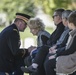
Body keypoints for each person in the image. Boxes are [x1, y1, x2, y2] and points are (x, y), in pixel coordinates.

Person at [21, 8, 65, 75]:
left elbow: (46, 46)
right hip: (50, 50)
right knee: (27, 57)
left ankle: (34, 68)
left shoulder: (43, 35)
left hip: (52, 51)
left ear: (36, 28)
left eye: (31, 29)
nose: (30, 31)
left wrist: (34, 49)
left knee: (29, 58)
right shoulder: (57, 28)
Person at [44, 10, 72, 75]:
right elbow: (63, 43)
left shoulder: (72, 32)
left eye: (62, 19)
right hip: (64, 52)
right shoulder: (67, 30)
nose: (62, 21)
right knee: (47, 59)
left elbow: (69, 48)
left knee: (48, 63)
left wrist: (56, 52)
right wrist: (56, 48)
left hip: (70, 57)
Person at [56, 10, 76, 75]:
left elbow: (71, 50)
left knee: (58, 60)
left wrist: (58, 54)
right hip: (71, 55)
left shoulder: (74, 34)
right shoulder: (72, 33)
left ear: (71, 24)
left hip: (73, 58)